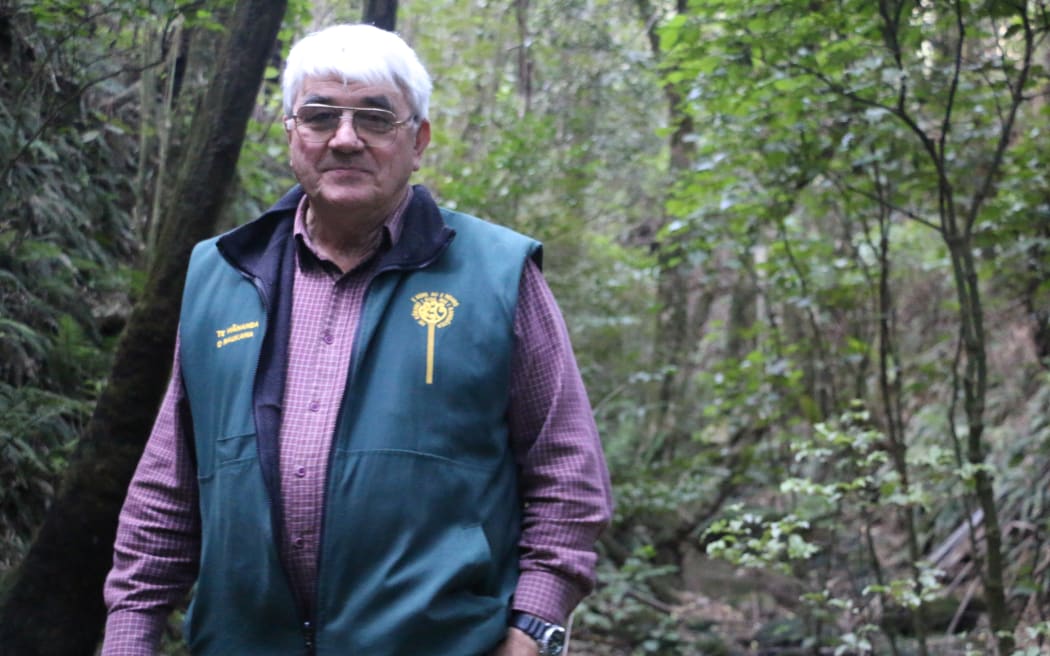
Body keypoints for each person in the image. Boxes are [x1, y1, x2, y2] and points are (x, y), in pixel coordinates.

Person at [101, 23, 613, 656]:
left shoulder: (497, 274)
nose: (345, 139)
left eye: (375, 117)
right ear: (291, 132)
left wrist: (534, 625)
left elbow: (568, 474)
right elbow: (169, 482)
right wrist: (129, 632)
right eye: (319, 116)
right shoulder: (221, 274)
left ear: (417, 140)